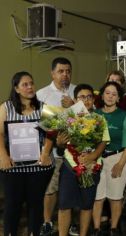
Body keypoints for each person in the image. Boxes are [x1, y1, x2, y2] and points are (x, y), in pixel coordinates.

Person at [0, 71, 54, 235]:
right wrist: (3, 155)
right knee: (12, 205)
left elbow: (51, 133)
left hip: (38, 167)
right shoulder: (5, 107)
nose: (30, 87)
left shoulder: (45, 107)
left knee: (36, 204)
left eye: (31, 83)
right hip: (12, 167)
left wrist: (45, 154)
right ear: (16, 88)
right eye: (25, 84)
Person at [57, 84, 109, 236]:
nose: (86, 100)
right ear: (75, 99)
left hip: (91, 167)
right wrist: (59, 142)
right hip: (70, 166)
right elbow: (60, 142)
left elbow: (104, 142)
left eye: (89, 97)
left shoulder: (99, 119)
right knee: (64, 205)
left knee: (86, 205)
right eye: (82, 97)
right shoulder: (67, 117)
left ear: (93, 99)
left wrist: (92, 157)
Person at [92, 82, 126, 236]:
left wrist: (120, 164)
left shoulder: (124, 116)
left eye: (114, 94)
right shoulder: (95, 115)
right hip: (97, 160)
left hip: (118, 158)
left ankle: (113, 228)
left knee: (115, 197)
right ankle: (97, 229)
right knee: (97, 197)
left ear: (118, 98)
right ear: (102, 95)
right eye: (107, 93)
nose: (110, 96)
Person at [36, 57, 76, 235]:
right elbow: (39, 123)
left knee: (71, 189)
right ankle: (47, 221)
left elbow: (89, 118)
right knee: (50, 188)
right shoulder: (42, 94)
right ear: (52, 73)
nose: (65, 75)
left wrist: (74, 106)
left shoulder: (77, 90)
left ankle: (70, 222)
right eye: (60, 71)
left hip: (75, 151)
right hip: (51, 150)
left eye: (68, 71)